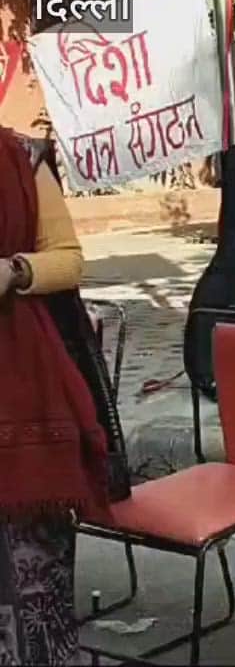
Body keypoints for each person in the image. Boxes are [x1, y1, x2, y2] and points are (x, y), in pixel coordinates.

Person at [0, 128, 116, 665]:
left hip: (24, 380)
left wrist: (15, 270)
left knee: (33, 574)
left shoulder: (20, 157)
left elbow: (68, 259)